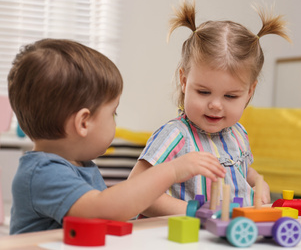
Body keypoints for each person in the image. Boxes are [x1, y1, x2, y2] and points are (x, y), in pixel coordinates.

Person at [7, 38, 226, 234]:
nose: (115, 119)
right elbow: (105, 210)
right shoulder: (43, 173)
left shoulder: (77, 164)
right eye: (113, 112)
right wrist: (171, 171)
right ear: (83, 122)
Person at [129, 0, 291, 217]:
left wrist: (259, 182)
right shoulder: (175, 136)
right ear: (185, 82)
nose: (215, 105)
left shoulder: (238, 134)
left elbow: (241, 171)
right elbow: (135, 190)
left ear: (249, 92)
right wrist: (193, 213)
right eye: (204, 92)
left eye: (230, 96)